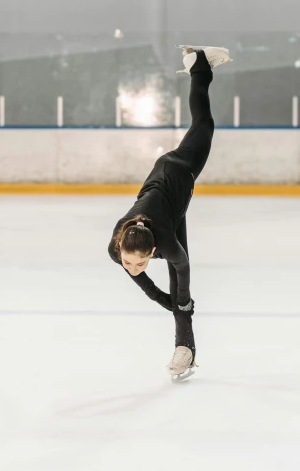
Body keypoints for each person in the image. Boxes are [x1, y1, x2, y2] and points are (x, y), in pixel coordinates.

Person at [108, 46, 232, 378]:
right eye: (130, 261)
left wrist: (181, 301)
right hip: (166, 192)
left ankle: (199, 64)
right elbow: (141, 279)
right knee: (176, 295)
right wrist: (166, 301)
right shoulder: (118, 248)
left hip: (180, 169)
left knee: (204, 123)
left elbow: (183, 266)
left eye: (140, 261)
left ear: (154, 250)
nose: (134, 267)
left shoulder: (165, 242)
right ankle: (186, 351)